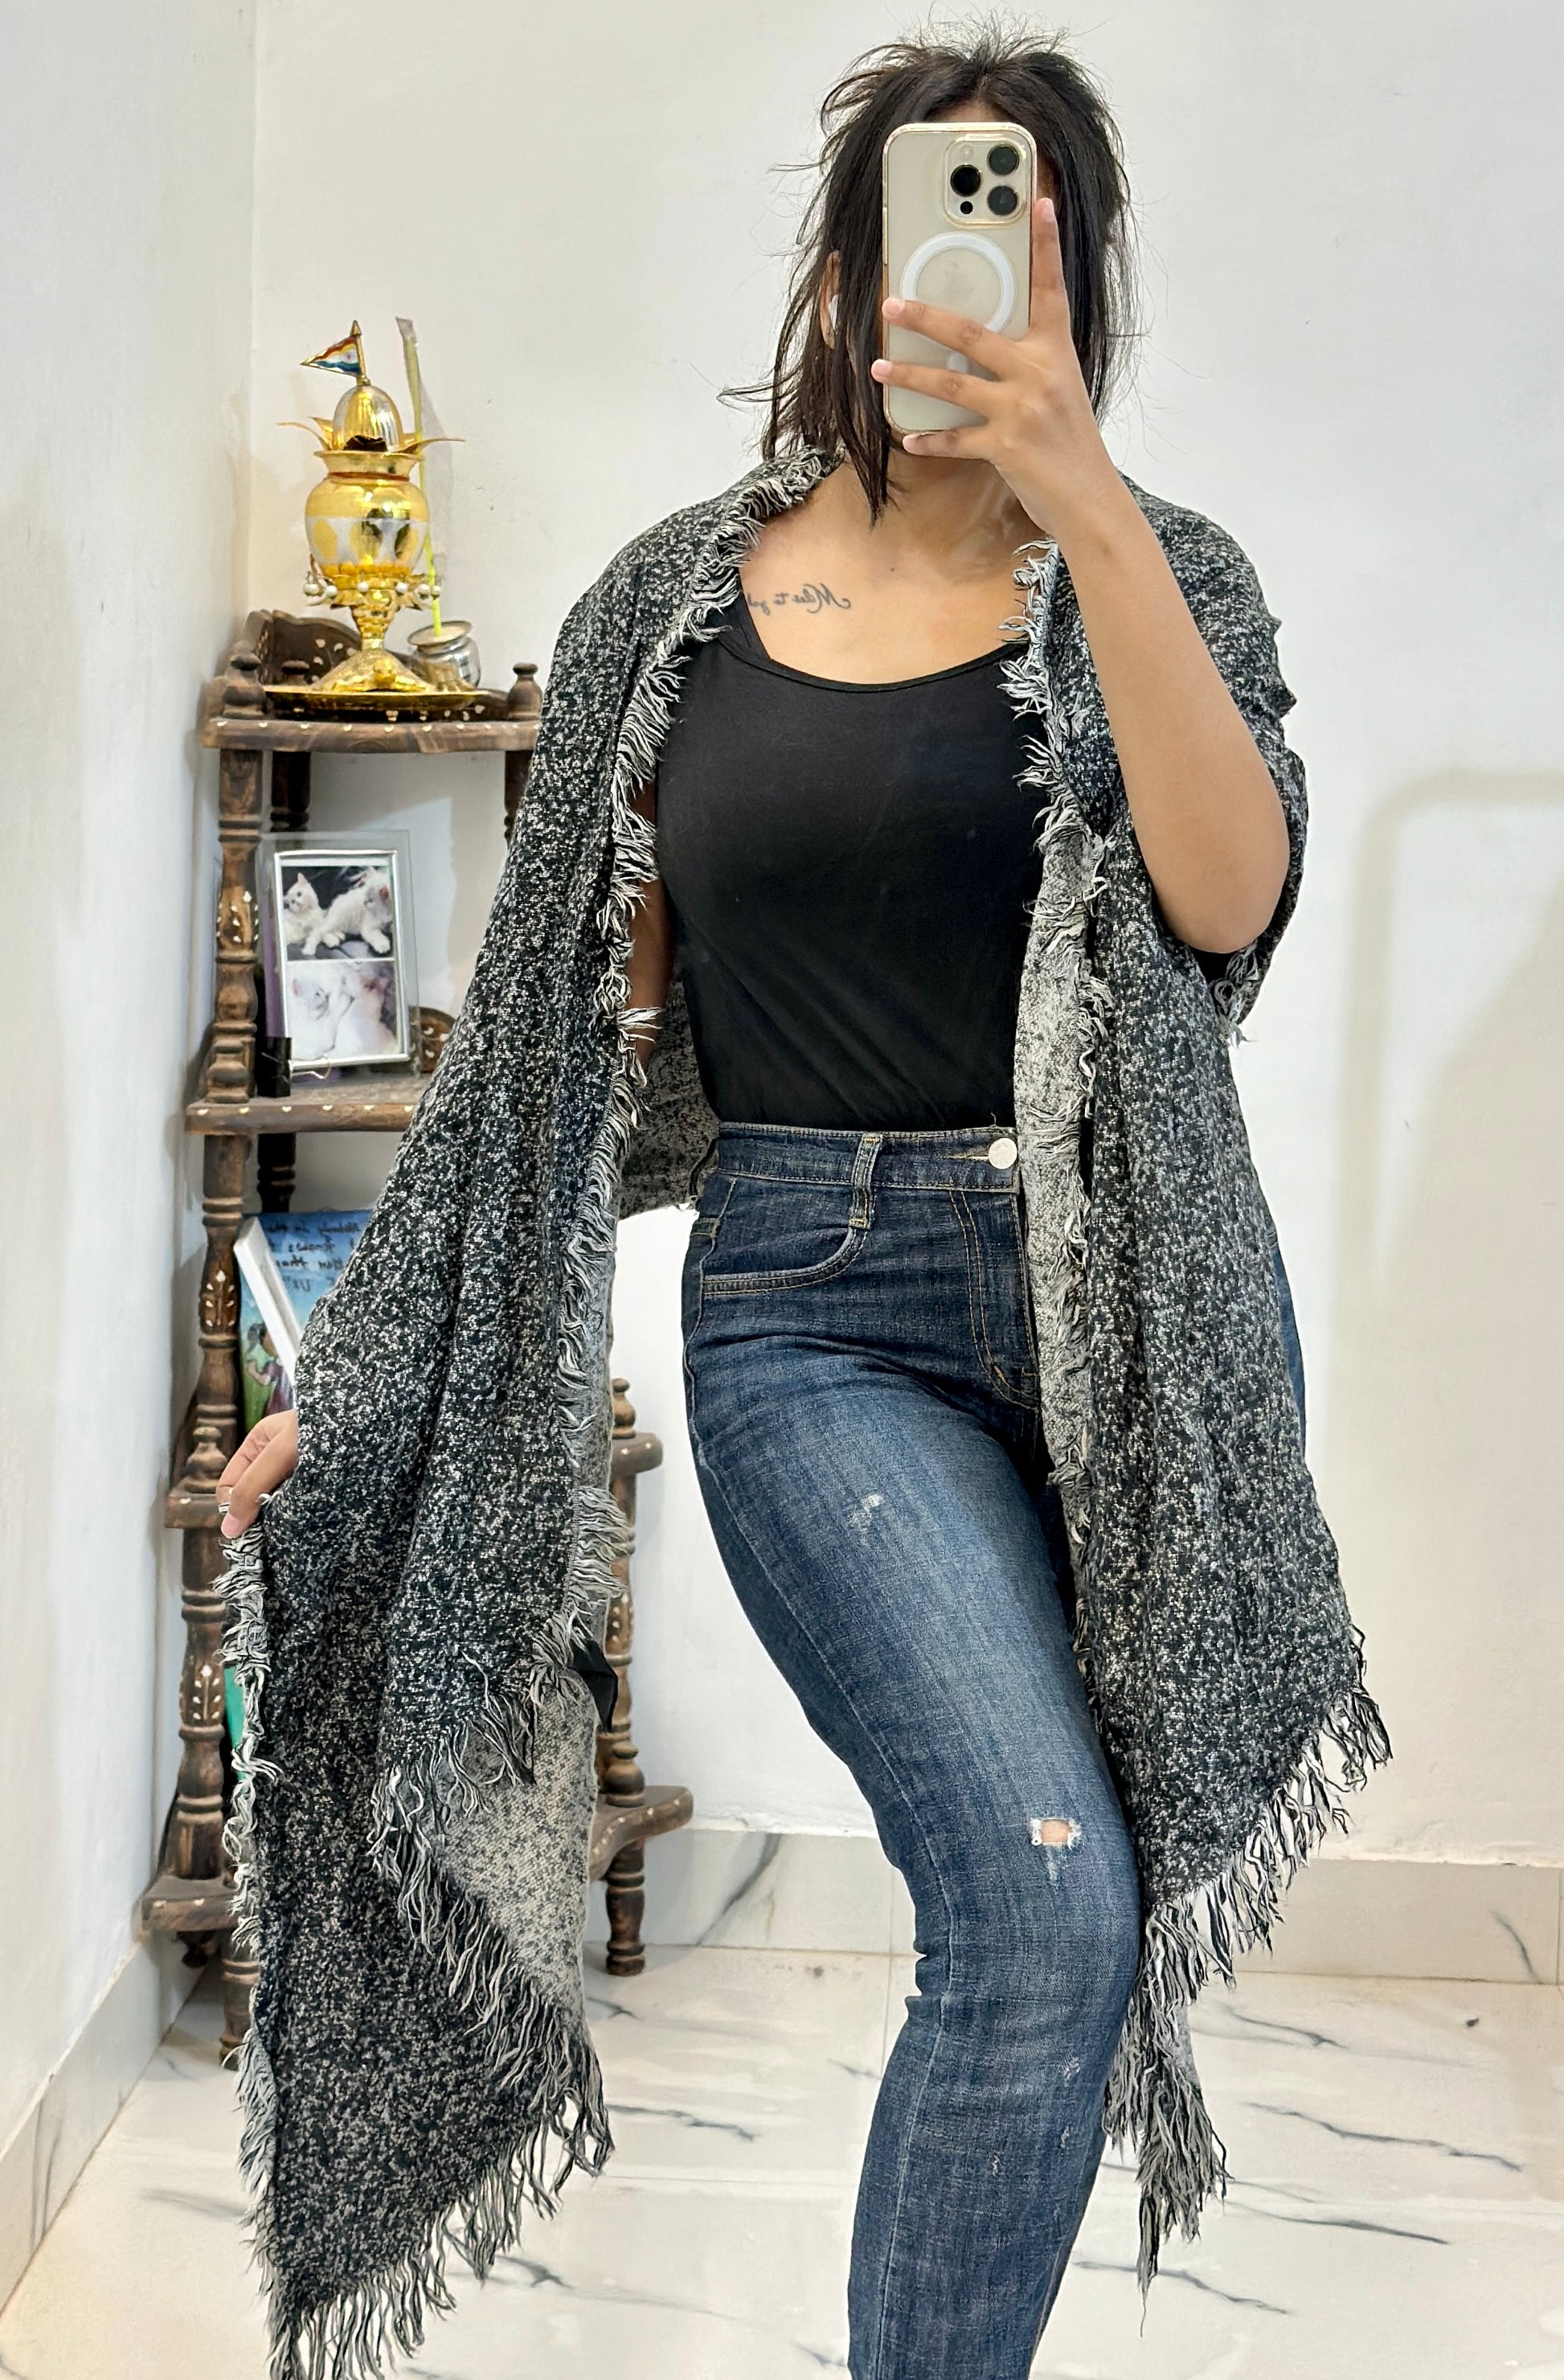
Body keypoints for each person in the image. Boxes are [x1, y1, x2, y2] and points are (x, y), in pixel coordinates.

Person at [217, 31, 1384, 2380]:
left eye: (1028, 248)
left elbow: (1226, 902)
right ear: (845, 281)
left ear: (1081, 292)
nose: (963, 289)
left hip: (1123, 1324)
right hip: (811, 1310)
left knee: (1071, 1913)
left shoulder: (1162, 574)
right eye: (924, 238)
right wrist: (364, 1379)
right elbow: (542, 1045)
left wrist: (1089, 508)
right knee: (1040, 1908)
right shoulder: (676, 603)